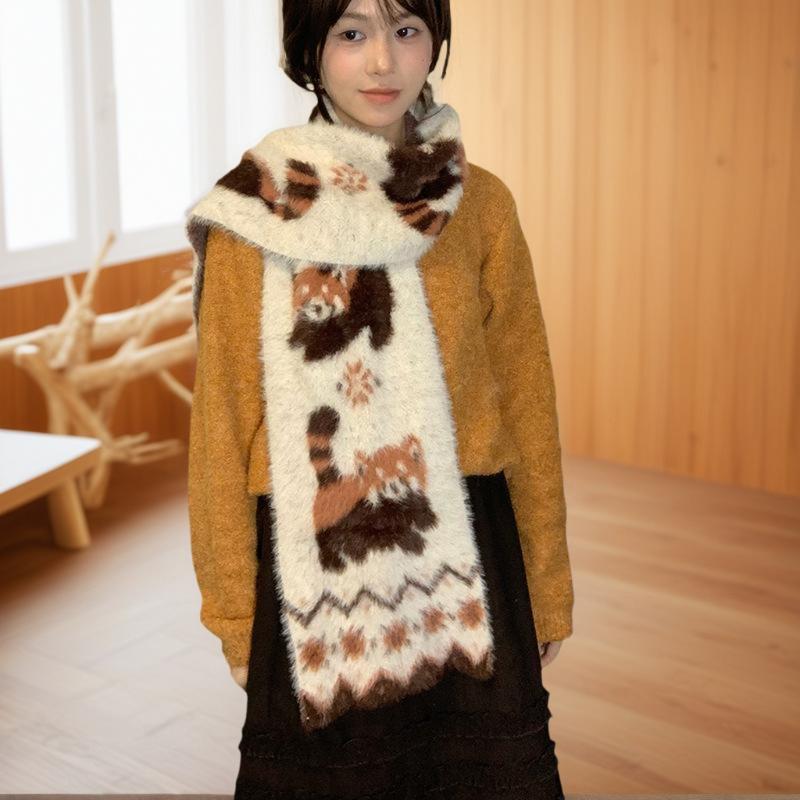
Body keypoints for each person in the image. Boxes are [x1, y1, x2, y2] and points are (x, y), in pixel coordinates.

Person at [186, 0, 575, 797]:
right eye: (351, 33)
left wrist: (546, 583)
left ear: (434, 42)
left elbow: (528, 400)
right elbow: (221, 423)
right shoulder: (255, 210)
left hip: (468, 547)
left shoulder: (482, 205)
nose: (381, 62)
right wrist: (231, 612)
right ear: (309, 51)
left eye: (405, 30)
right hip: (312, 557)